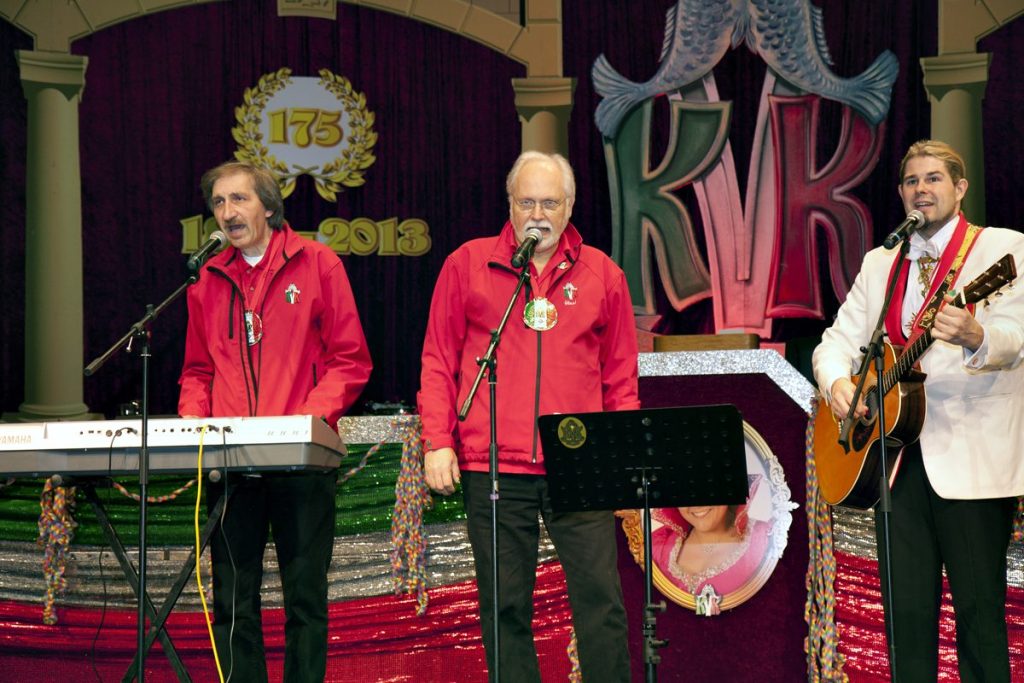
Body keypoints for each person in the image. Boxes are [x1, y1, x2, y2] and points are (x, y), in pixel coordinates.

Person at [418, 151, 637, 682]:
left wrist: (620, 460)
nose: (538, 214)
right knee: (504, 608)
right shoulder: (468, 263)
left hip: (580, 466)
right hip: (493, 464)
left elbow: (620, 379)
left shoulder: (603, 274)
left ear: (571, 206)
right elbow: (438, 359)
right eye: (527, 202)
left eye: (550, 203)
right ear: (510, 204)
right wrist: (437, 441)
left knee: (601, 603)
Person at [813, 139, 1024, 682]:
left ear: (960, 188)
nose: (921, 189)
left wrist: (977, 334)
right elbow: (835, 342)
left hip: (973, 461)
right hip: (895, 461)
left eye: (933, 178)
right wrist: (838, 386)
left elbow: (1016, 336)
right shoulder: (882, 262)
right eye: (911, 180)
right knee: (904, 620)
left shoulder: (1002, 249)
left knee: (979, 617)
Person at [178, 160, 372, 682]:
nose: (227, 212)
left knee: (304, 599)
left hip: (301, 462)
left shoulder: (318, 264)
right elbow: (197, 371)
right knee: (232, 602)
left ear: (267, 206)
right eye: (218, 202)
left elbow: (350, 360)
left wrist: (306, 422)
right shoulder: (206, 279)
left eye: (239, 199)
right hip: (229, 466)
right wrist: (192, 422)